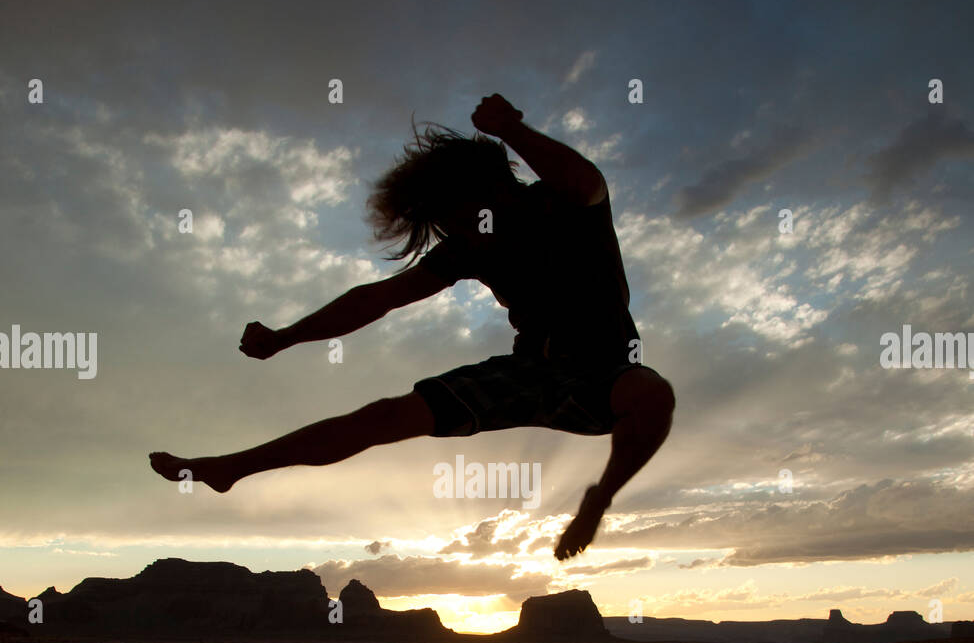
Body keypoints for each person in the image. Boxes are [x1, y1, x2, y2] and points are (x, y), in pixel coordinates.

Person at [150, 94, 674, 559]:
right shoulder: (468, 247)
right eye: (446, 222)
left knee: (652, 394)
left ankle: (598, 499)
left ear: (494, 187)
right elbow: (376, 299)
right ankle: (229, 469)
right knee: (383, 417)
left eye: (461, 213)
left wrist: (511, 130)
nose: (459, 230)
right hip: (528, 369)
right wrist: (285, 338)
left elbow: (588, 181)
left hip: (606, 368)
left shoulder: (561, 204)